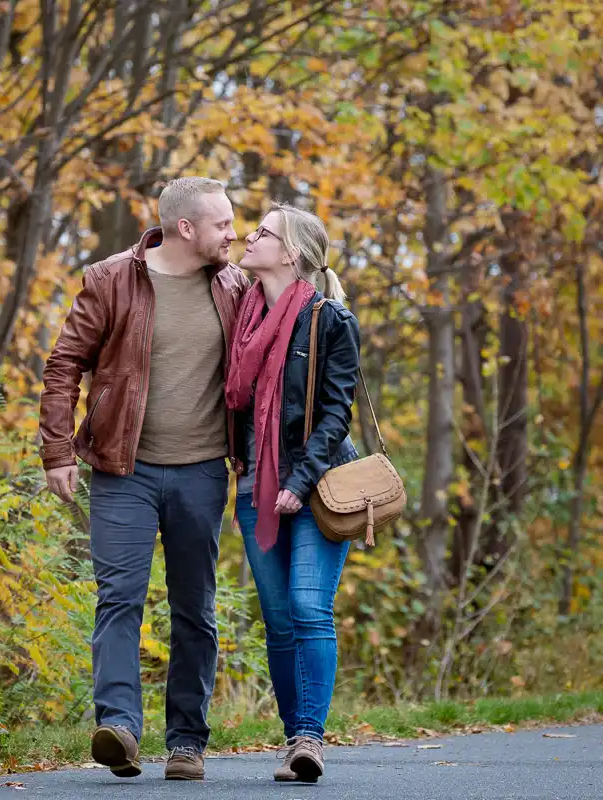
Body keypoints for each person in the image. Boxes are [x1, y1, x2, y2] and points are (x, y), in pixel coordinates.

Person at [38, 177, 248, 781]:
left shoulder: (234, 286)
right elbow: (64, 365)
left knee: (194, 609)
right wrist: (57, 451)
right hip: (122, 471)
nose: (233, 233)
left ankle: (186, 742)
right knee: (119, 599)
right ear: (187, 228)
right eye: (223, 224)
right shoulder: (110, 279)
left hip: (203, 473)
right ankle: (121, 728)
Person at [226, 203, 360, 783]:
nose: (249, 236)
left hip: (318, 483)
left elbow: (336, 414)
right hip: (256, 482)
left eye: (263, 232)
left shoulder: (332, 320)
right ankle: (292, 740)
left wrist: (298, 483)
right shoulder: (243, 317)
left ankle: (310, 737)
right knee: (278, 620)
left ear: (292, 253)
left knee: (309, 607)